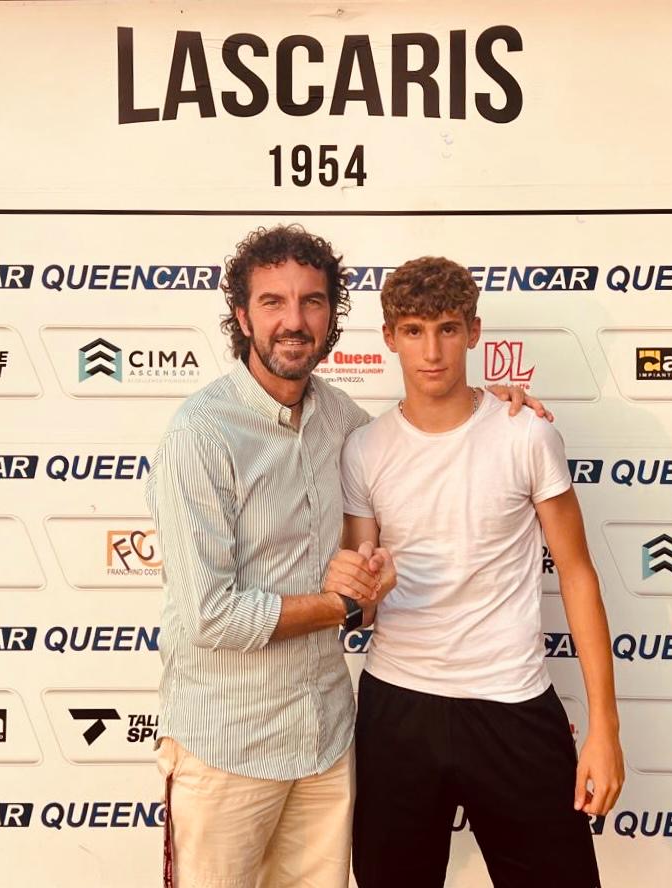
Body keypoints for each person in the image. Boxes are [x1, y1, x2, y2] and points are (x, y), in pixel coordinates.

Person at [145, 226, 547, 888]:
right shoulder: (200, 434)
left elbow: (427, 433)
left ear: (332, 316)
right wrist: (340, 606)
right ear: (241, 317)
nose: (294, 321)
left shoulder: (344, 423)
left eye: (312, 301)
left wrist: (498, 408)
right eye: (272, 302)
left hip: (324, 748)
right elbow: (211, 615)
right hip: (226, 749)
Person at [341, 256, 624, 888]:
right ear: (389, 337)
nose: (431, 351)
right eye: (413, 331)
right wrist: (366, 589)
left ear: (473, 332)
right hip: (398, 707)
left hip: (511, 701)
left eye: (447, 328)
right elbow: (362, 603)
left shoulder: (526, 434)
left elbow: (578, 575)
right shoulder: (363, 448)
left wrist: (604, 726)